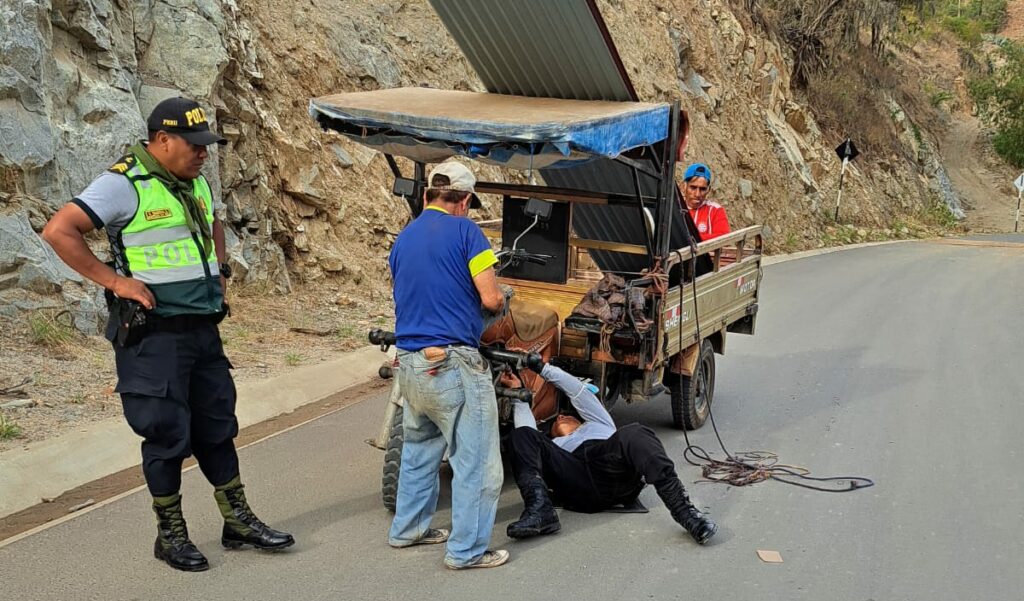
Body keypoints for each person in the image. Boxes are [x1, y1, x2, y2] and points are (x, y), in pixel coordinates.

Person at [42, 97, 293, 572]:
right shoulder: (122, 184)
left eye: (207, 145)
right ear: (161, 140)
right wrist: (116, 282)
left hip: (201, 329)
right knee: (165, 435)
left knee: (218, 427)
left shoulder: (191, 180)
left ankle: (236, 521)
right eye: (194, 145)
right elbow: (59, 231)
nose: (203, 154)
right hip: (152, 338)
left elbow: (214, 219)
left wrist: (219, 270)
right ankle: (170, 535)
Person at [386, 160, 509, 570]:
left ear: (427, 195)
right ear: (466, 200)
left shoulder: (404, 238)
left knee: (420, 449)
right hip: (453, 363)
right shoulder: (468, 232)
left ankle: (409, 528)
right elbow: (490, 299)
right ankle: (467, 551)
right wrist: (504, 297)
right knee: (477, 462)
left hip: (410, 363)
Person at [503, 355, 718, 545]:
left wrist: (542, 368)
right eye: (555, 421)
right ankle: (541, 511)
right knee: (520, 435)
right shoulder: (554, 446)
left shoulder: (600, 424)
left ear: (579, 419)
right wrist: (517, 393)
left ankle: (687, 514)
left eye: (566, 415)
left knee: (635, 433)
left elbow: (577, 391)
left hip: (611, 471)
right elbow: (525, 429)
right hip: (573, 478)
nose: (560, 417)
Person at [679, 163, 730, 242]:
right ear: (683, 187)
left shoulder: (715, 210)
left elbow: (724, 237)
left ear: (708, 190)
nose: (697, 194)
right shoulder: (675, 208)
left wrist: (690, 240)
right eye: (693, 187)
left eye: (702, 189)